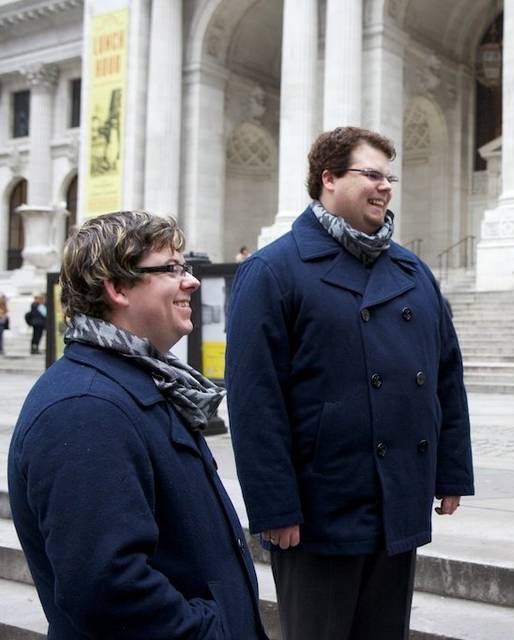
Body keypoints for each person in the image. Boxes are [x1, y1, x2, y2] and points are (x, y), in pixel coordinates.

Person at [226, 126, 474, 639]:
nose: (385, 187)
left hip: (396, 505)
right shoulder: (274, 270)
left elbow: (446, 376)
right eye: (372, 175)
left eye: (390, 177)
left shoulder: (414, 271)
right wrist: (274, 507)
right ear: (329, 179)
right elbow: (255, 399)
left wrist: (450, 473)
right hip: (319, 515)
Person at [7, 211, 268, 638]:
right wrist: (211, 631)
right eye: (171, 268)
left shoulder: (136, 381)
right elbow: (108, 589)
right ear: (117, 287)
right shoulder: (84, 408)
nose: (192, 281)